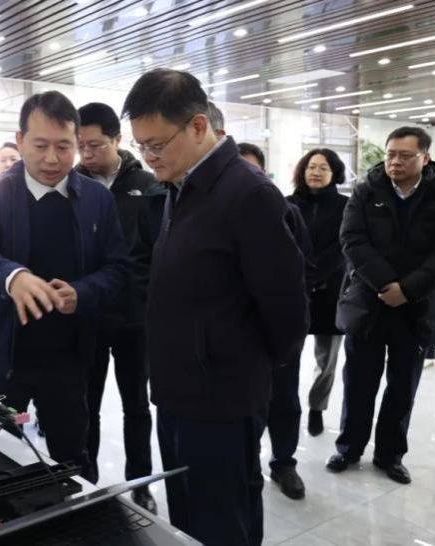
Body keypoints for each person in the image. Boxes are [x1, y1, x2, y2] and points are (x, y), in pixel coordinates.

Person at [122, 68, 308, 546]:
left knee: (223, 519)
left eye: (157, 145)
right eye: (141, 146)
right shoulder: (183, 184)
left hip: (221, 398)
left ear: (199, 126)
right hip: (178, 389)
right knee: (187, 516)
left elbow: (286, 305)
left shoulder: (248, 193)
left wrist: (242, 366)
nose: (148, 157)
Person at [0, 91, 129, 484]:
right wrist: (13, 277)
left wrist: (82, 293)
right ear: (20, 141)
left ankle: (79, 513)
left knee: (73, 456)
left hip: (68, 358)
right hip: (2, 357)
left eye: (64, 147)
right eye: (40, 145)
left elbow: (118, 268)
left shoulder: (97, 199)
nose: (52, 159)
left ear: (76, 143)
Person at [328, 126, 435, 485]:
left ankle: (390, 455)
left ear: (425, 158)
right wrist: (386, 284)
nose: (395, 162)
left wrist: (407, 289)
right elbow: (351, 239)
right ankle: (349, 448)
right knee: (358, 382)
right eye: (390, 154)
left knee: (403, 386)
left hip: (416, 308)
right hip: (369, 303)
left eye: (405, 155)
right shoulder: (366, 191)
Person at [76, 101, 158, 512]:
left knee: (136, 404)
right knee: (85, 403)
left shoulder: (148, 184)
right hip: (87, 315)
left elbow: (156, 250)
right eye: (81, 146)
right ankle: (85, 478)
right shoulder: (71, 185)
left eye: (96, 145)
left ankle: (141, 482)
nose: (87, 154)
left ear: (117, 140)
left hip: (133, 318)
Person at [235, 141, 314, 501]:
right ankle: (245, 460)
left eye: (252, 170)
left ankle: (284, 462)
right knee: (244, 406)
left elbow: (303, 269)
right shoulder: (215, 212)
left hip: (279, 330)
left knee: (284, 399)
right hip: (237, 335)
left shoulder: (286, 211)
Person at [286, 148, 349, 437]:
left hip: (330, 290)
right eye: (312, 166)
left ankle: (316, 407)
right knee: (288, 355)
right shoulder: (287, 203)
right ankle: (286, 408)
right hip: (293, 290)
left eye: (324, 168)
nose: (316, 172)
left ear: (334, 174)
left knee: (327, 360)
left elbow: (342, 247)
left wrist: (313, 275)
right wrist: (300, 277)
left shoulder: (346, 206)